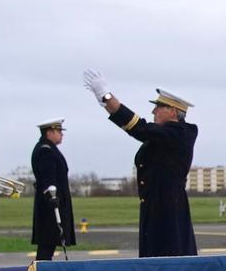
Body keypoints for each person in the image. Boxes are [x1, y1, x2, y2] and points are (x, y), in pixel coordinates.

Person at [81, 71, 197, 257]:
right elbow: (141, 130)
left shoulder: (179, 133)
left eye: (159, 107)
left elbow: (138, 128)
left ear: (173, 111)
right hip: (155, 205)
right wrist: (106, 102)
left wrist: (107, 97)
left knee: (169, 257)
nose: (153, 111)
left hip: (168, 207)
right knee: (153, 258)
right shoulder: (165, 134)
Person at [30, 118, 73, 261]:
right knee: (47, 245)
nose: (62, 134)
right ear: (50, 132)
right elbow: (48, 177)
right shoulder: (45, 151)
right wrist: (52, 196)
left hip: (52, 202)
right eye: (59, 131)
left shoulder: (48, 148)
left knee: (49, 245)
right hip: (50, 205)